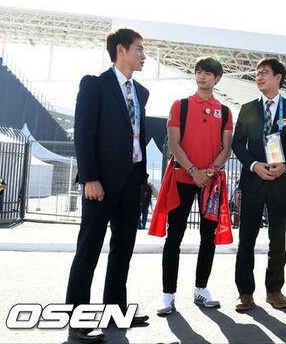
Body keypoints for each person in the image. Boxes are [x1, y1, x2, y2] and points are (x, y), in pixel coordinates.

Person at [66, 28, 149, 342]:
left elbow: (136, 136)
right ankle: (77, 319)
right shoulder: (95, 85)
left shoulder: (141, 92)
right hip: (99, 184)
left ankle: (116, 310)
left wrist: (141, 179)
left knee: (122, 250)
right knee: (88, 250)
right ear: (121, 50)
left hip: (130, 184)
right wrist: (90, 177)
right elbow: (83, 134)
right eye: (139, 49)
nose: (143, 55)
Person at [155, 57, 233, 315]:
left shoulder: (225, 111)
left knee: (207, 237)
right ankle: (168, 294)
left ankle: (201, 288)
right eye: (199, 72)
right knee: (174, 236)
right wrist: (192, 170)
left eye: (208, 73)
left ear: (217, 78)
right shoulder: (181, 105)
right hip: (182, 179)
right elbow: (174, 145)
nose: (202, 77)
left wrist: (209, 172)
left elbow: (226, 149)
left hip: (210, 182)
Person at [232, 57, 286, 311]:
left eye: (264, 73)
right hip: (253, 181)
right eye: (257, 73)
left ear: (278, 77)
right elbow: (237, 144)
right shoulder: (247, 108)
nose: (259, 77)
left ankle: (274, 290)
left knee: (278, 238)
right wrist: (254, 165)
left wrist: (285, 166)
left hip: (280, 182)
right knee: (247, 239)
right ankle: (245, 292)